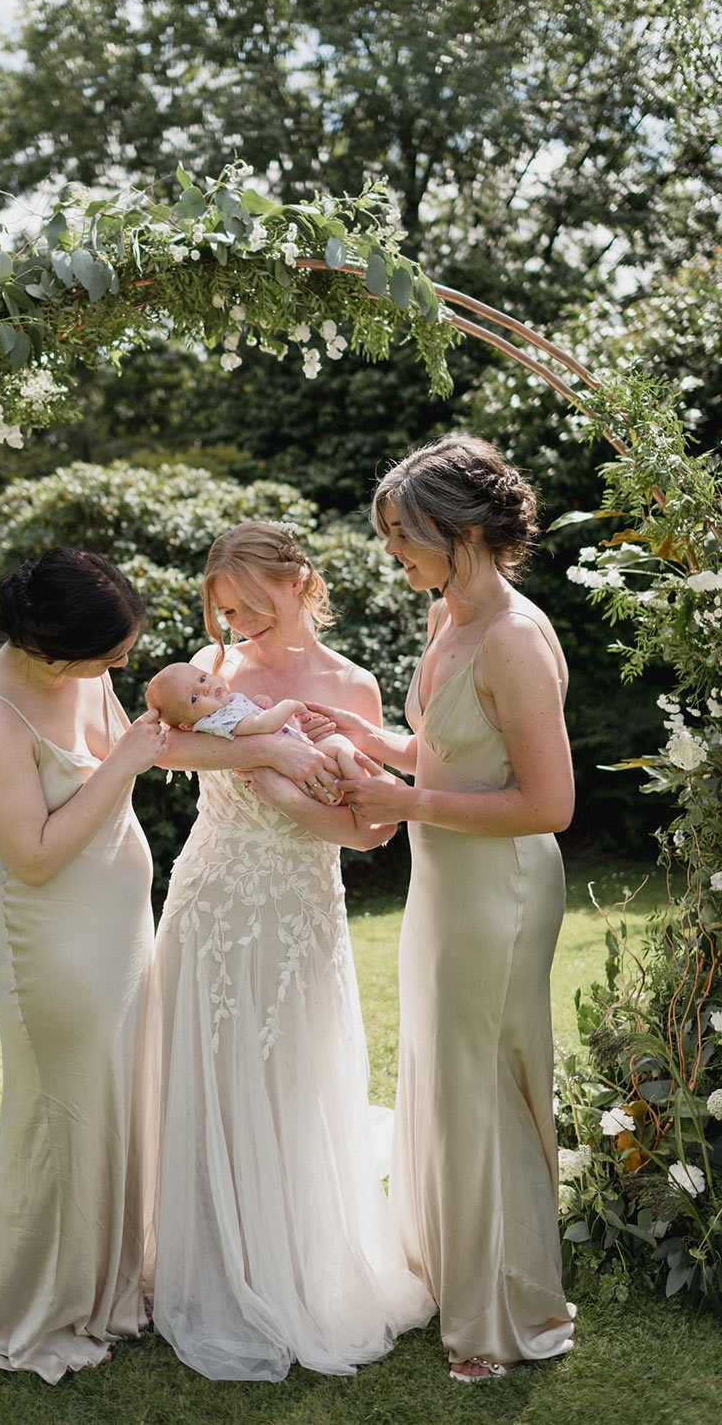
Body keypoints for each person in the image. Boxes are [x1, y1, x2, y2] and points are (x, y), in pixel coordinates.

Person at [314, 436, 577, 1383]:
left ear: (463, 532)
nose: (393, 553)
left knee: (481, 1086)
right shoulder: (445, 616)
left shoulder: (514, 639)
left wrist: (407, 800)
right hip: (445, 884)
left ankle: (504, 1314)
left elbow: (550, 803)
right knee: (444, 1073)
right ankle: (453, 1269)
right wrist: (369, 740)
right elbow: (446, 751)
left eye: (403, 536)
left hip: (500, 888)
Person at [146, 522, 435, 1382]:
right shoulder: (212, 670)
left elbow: (367, 826)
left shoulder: (353, 685)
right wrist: (265, 749)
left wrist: (299, 789)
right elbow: (159, 747)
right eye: (225, 610)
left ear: (300, 580)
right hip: (210, 896)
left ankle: (295, 1264)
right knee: (210, 1073)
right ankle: (209, 1263)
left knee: (290, 1073)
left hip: (300, 908)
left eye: (251, 603)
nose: (239, 623)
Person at [0, 548, 167, 1384]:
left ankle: (107, 1282)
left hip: (118, 930)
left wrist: (274, 747)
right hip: (50, 945)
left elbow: (139, 749)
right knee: (61, 1116)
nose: (122, 667)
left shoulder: (79, 674)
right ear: (52, 648)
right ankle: (39, 1305)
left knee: (114, 1100)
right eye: (110, 656)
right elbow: (32, 856)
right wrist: (127, 760)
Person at [144, 659, 367, 798]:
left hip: (303, 767)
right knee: (339, 745)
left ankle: (361, 791)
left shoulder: (227, 707)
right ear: (187, 725)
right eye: (194, 697)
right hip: (298, 779)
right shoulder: (216, 721)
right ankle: (363, 791)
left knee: (338, 750)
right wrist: (288, 706)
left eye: (202, 678)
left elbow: (254, 719)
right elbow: (261, 725)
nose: (205, 688)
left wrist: (259, 704)